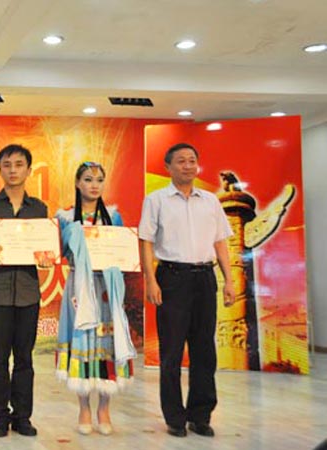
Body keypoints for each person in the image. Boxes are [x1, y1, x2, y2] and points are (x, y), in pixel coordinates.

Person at [138, 143, 234, 438]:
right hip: (172, 278)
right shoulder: (156, 200)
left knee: (205, 351)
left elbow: (220, 242)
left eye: (192, 160)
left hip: (205, 278)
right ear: (168, 167)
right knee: (171, 351)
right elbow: (146, 241)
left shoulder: (211, 201)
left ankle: (200, 415)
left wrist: (229, 280)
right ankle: (175, 418)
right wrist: (150, 280)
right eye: (181, 161)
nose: (188, 166)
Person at [0, 144, 49, 438]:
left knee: (25, 357)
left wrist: (46, 257)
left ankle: (23, 416)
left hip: (29, 292)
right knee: (0, 356)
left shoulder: (39, 208)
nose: (13, 170)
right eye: (7, 165)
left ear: (29, 170)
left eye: (18, 164)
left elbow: (45, 247)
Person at [55, 162, 135, 436]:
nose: (94, 185)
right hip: (79, 287)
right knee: (82, 339)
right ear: (78, 183)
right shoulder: (65, 217)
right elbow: (57, 251)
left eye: (99, 180)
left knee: (107, 344)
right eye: (88, 179)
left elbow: (123, 250)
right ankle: (84, 408)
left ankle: (104, 407)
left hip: (106, 289)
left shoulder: (113, 215)